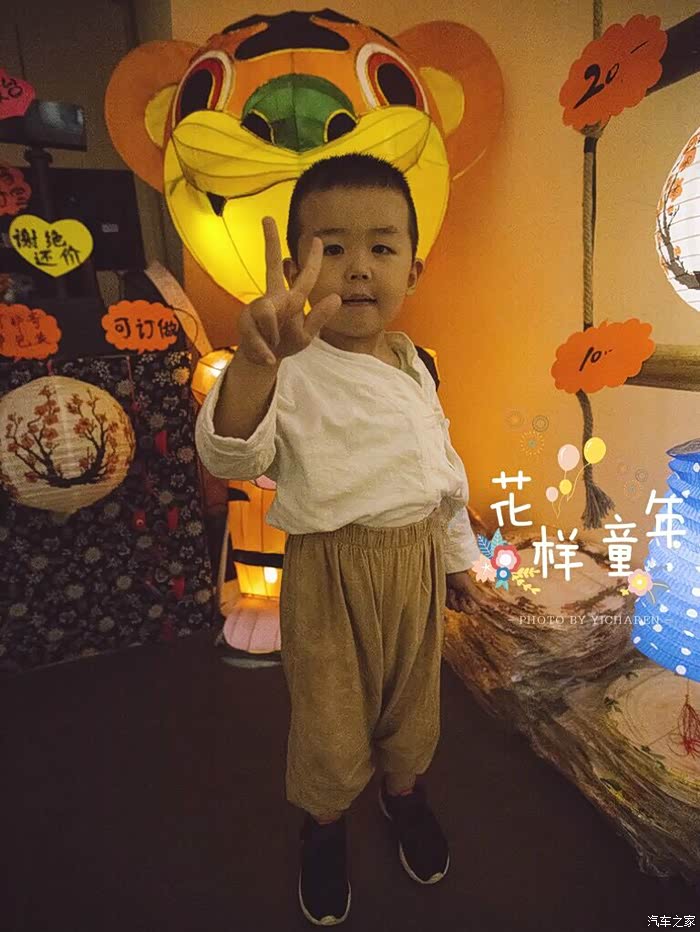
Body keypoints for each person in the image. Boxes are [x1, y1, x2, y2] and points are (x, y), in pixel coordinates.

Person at [195, 153, 480, 926]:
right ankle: (323, 826)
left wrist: (460, 559)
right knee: (329, 720)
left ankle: (403, 794)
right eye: (331, 248)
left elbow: (441, 470)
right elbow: (230, 456)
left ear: (413, 269)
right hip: (331, 570)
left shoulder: (414, 363)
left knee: (414, 705)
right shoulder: (288, 365)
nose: (358, 268)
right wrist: (255, 365)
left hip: (414, 562)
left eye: (381, 247)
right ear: (294, 269)